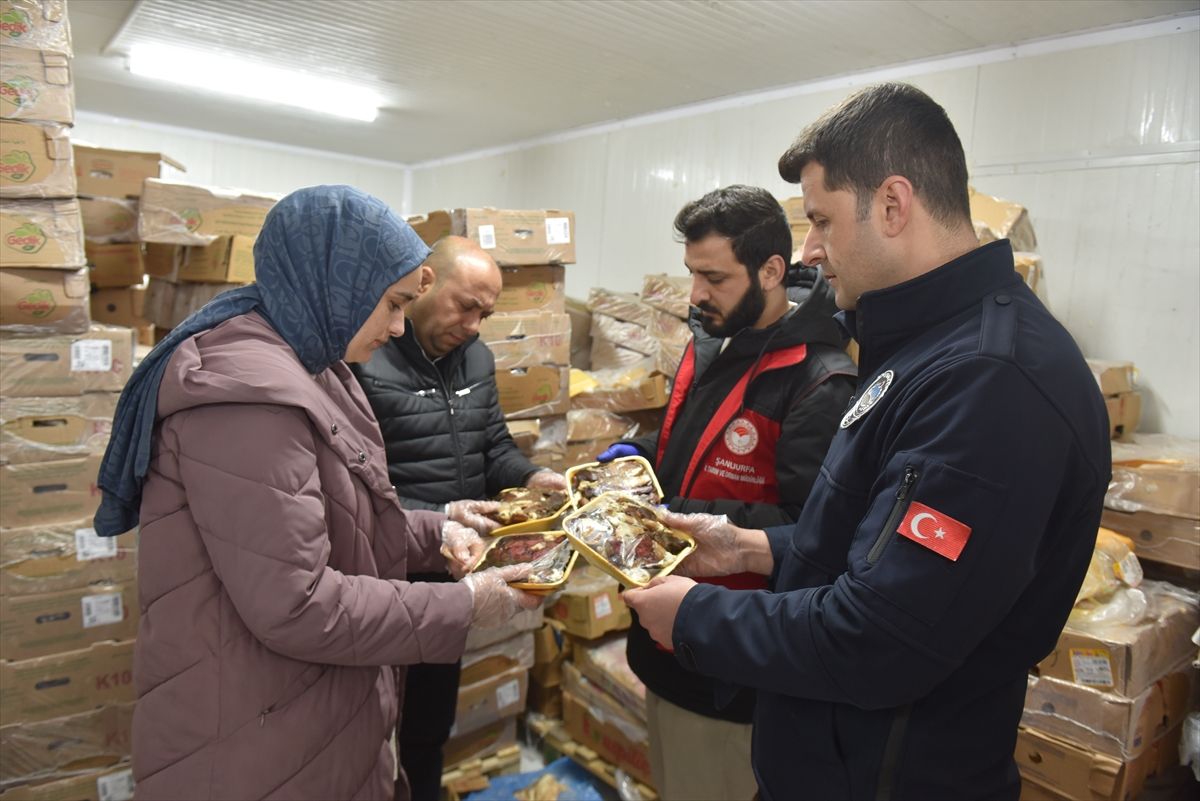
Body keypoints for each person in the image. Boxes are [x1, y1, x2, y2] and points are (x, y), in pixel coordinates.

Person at [623, 83, 1111, 801]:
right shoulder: (922, 349)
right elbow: (871, 538)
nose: (809, 251)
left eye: (821, 220)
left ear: (892, 204)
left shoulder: (991, 382)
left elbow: (879, 638)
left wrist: (696, 615)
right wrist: (751, 547)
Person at [93, 186, 540, 801]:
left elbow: (334, 517)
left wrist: (437, 531)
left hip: (300, 706)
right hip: (251, 726)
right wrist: (464, 606)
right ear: (338, 283)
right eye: (392, 304)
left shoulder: (314, 364)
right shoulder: (249, 400)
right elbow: (299, 603)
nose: (397, 326)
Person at [596, 185, 855, 800]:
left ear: (771, 271)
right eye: (692, 273)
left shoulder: (818, 381)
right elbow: (691, 446)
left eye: (713, 278)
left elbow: (810, 533)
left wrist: (669, 511)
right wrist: (641, 458)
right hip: (666, 642)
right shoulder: (714, 339)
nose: (695, 294)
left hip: (729, 673)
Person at [351, 235, 566, 801]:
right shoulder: (367, 355)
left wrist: (532, 477)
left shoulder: (476, 357)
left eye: (485, 314)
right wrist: (436, 516)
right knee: (364, 728)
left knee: (428, 727)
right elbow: (350, 492)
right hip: (380, 572)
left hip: (453, 573)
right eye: (465, 306)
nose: (473, 325)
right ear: (424, 284)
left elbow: (493, 447)